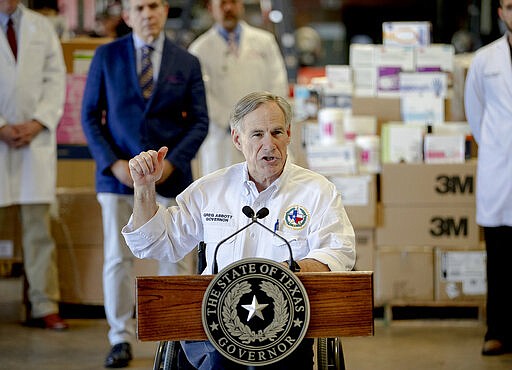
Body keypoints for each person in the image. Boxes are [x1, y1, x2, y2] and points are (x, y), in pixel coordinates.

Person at [122, 91, 356, 369]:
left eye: (276, 132)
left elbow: (338, 252)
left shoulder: (317, 191)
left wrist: (283, 276)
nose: (269, 144)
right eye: (257, 134)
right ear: (237, 139)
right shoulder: (210, 190)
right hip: (212, 328)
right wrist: (145, 187)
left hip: (285, 329)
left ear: (289, 134)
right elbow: (155, 243)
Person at [81, 0, 208, 367]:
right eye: (139, 7)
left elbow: (199, 121)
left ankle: (175, 334)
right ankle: (119, 337)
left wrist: (173, 164)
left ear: (165, 10)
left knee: (177, 256)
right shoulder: (107, 57)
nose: (147, 13)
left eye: (154, 5)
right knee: (117, 257)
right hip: (118, 177)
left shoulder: (187, 61)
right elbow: (90, 116)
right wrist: (113, 163)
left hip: (171, 177)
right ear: (127, 16)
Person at [0, 1, 68, 330]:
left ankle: (45, 304)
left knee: (38, 230)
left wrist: (38, 122)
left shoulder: (41, 27)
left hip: (35, 141)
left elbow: (56, 80)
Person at [188, 0, 288, 176]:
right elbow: (202, 96)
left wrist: (262, 124)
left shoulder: (265, 42)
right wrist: (240, 125)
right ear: (211, 8)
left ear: (241, 4)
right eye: (222, 4)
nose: (228, 8)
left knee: (272, 193)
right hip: (223, 140)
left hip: (266, 135)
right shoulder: (199, 50)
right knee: (224, 197)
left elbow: (278, 83)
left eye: (233, 2)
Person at [464, 0, 512, 357]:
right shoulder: (485, 59)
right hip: (501, 167)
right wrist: (498, 144)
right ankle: (497, 330)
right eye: (510, 7)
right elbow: (475, 112)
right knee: (499, 256)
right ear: (500, 12)